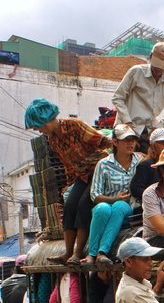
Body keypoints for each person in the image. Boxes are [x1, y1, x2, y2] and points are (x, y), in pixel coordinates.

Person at [24, 98, 111, 265]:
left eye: (38, 126)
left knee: (84, 205)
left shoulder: (74, 125)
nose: (38, 130)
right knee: (69, 205)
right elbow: (68, 165)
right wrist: (69, 185)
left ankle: (78, 253)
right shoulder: (52, 140)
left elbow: (103, 142)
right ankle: (67, 252)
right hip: (81, 175)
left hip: (98, 170)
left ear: (46, 119)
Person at [81, 124, 141, 266]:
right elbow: (95, 195)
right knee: (102, 208)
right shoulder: (103, 164)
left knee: (120, 206)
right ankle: (92, 253)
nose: (131, 143)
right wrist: (115, 198)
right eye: (126, 140)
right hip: (107, 206)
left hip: (129, 208)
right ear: (115, 142)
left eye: (132, 140)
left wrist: (119, 201)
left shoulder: (140, 161)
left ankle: (102, 252)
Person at [112, 42, 164, 153]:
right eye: (156, 64)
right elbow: (118, 97)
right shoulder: (136, 72)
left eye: (162, 66)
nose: (158, 69)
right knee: (123, 165)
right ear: (151, 57)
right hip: (125, 129)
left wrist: (158, 129)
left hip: (148, 132)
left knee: (145, 166)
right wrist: (128, 122)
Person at [130, 128, 164, 203]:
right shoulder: (146, 165)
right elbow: (136, 189)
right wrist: (156, 195)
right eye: (162, 142)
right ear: (153, 145)